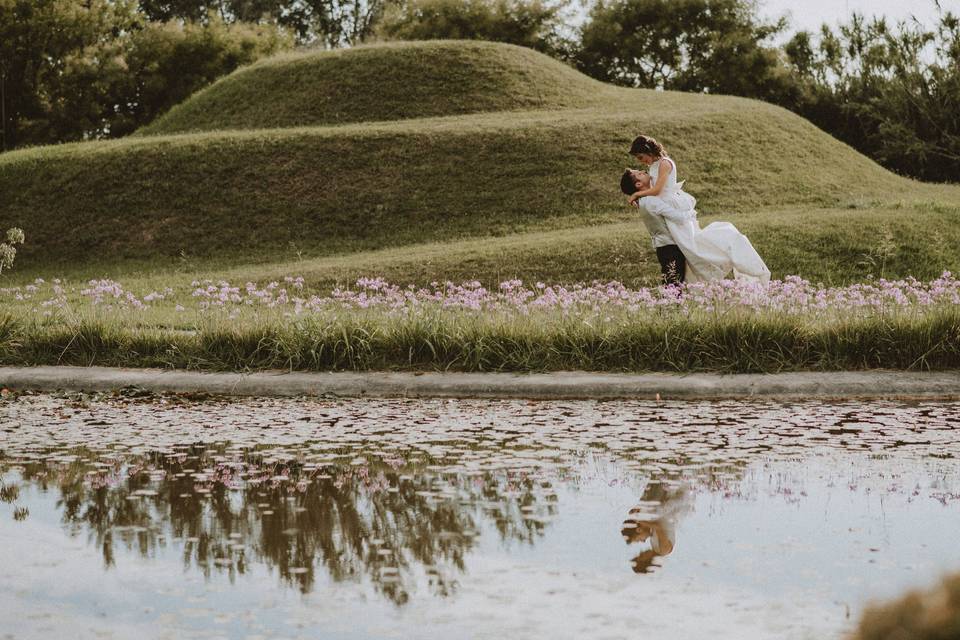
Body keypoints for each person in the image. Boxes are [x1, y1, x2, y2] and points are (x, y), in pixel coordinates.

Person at [623, 135, 771, 285]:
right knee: (685, 250)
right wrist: (640, 199)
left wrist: (637, 194)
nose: (641, 162)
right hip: (666, 209)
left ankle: (720, 261)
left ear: (648, 150)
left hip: (672, 205)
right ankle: (682, 284)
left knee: (693, 247)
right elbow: (651, 190)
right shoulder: (652, 166)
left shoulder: (664, 164)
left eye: (641, 157)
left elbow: (657, 189)